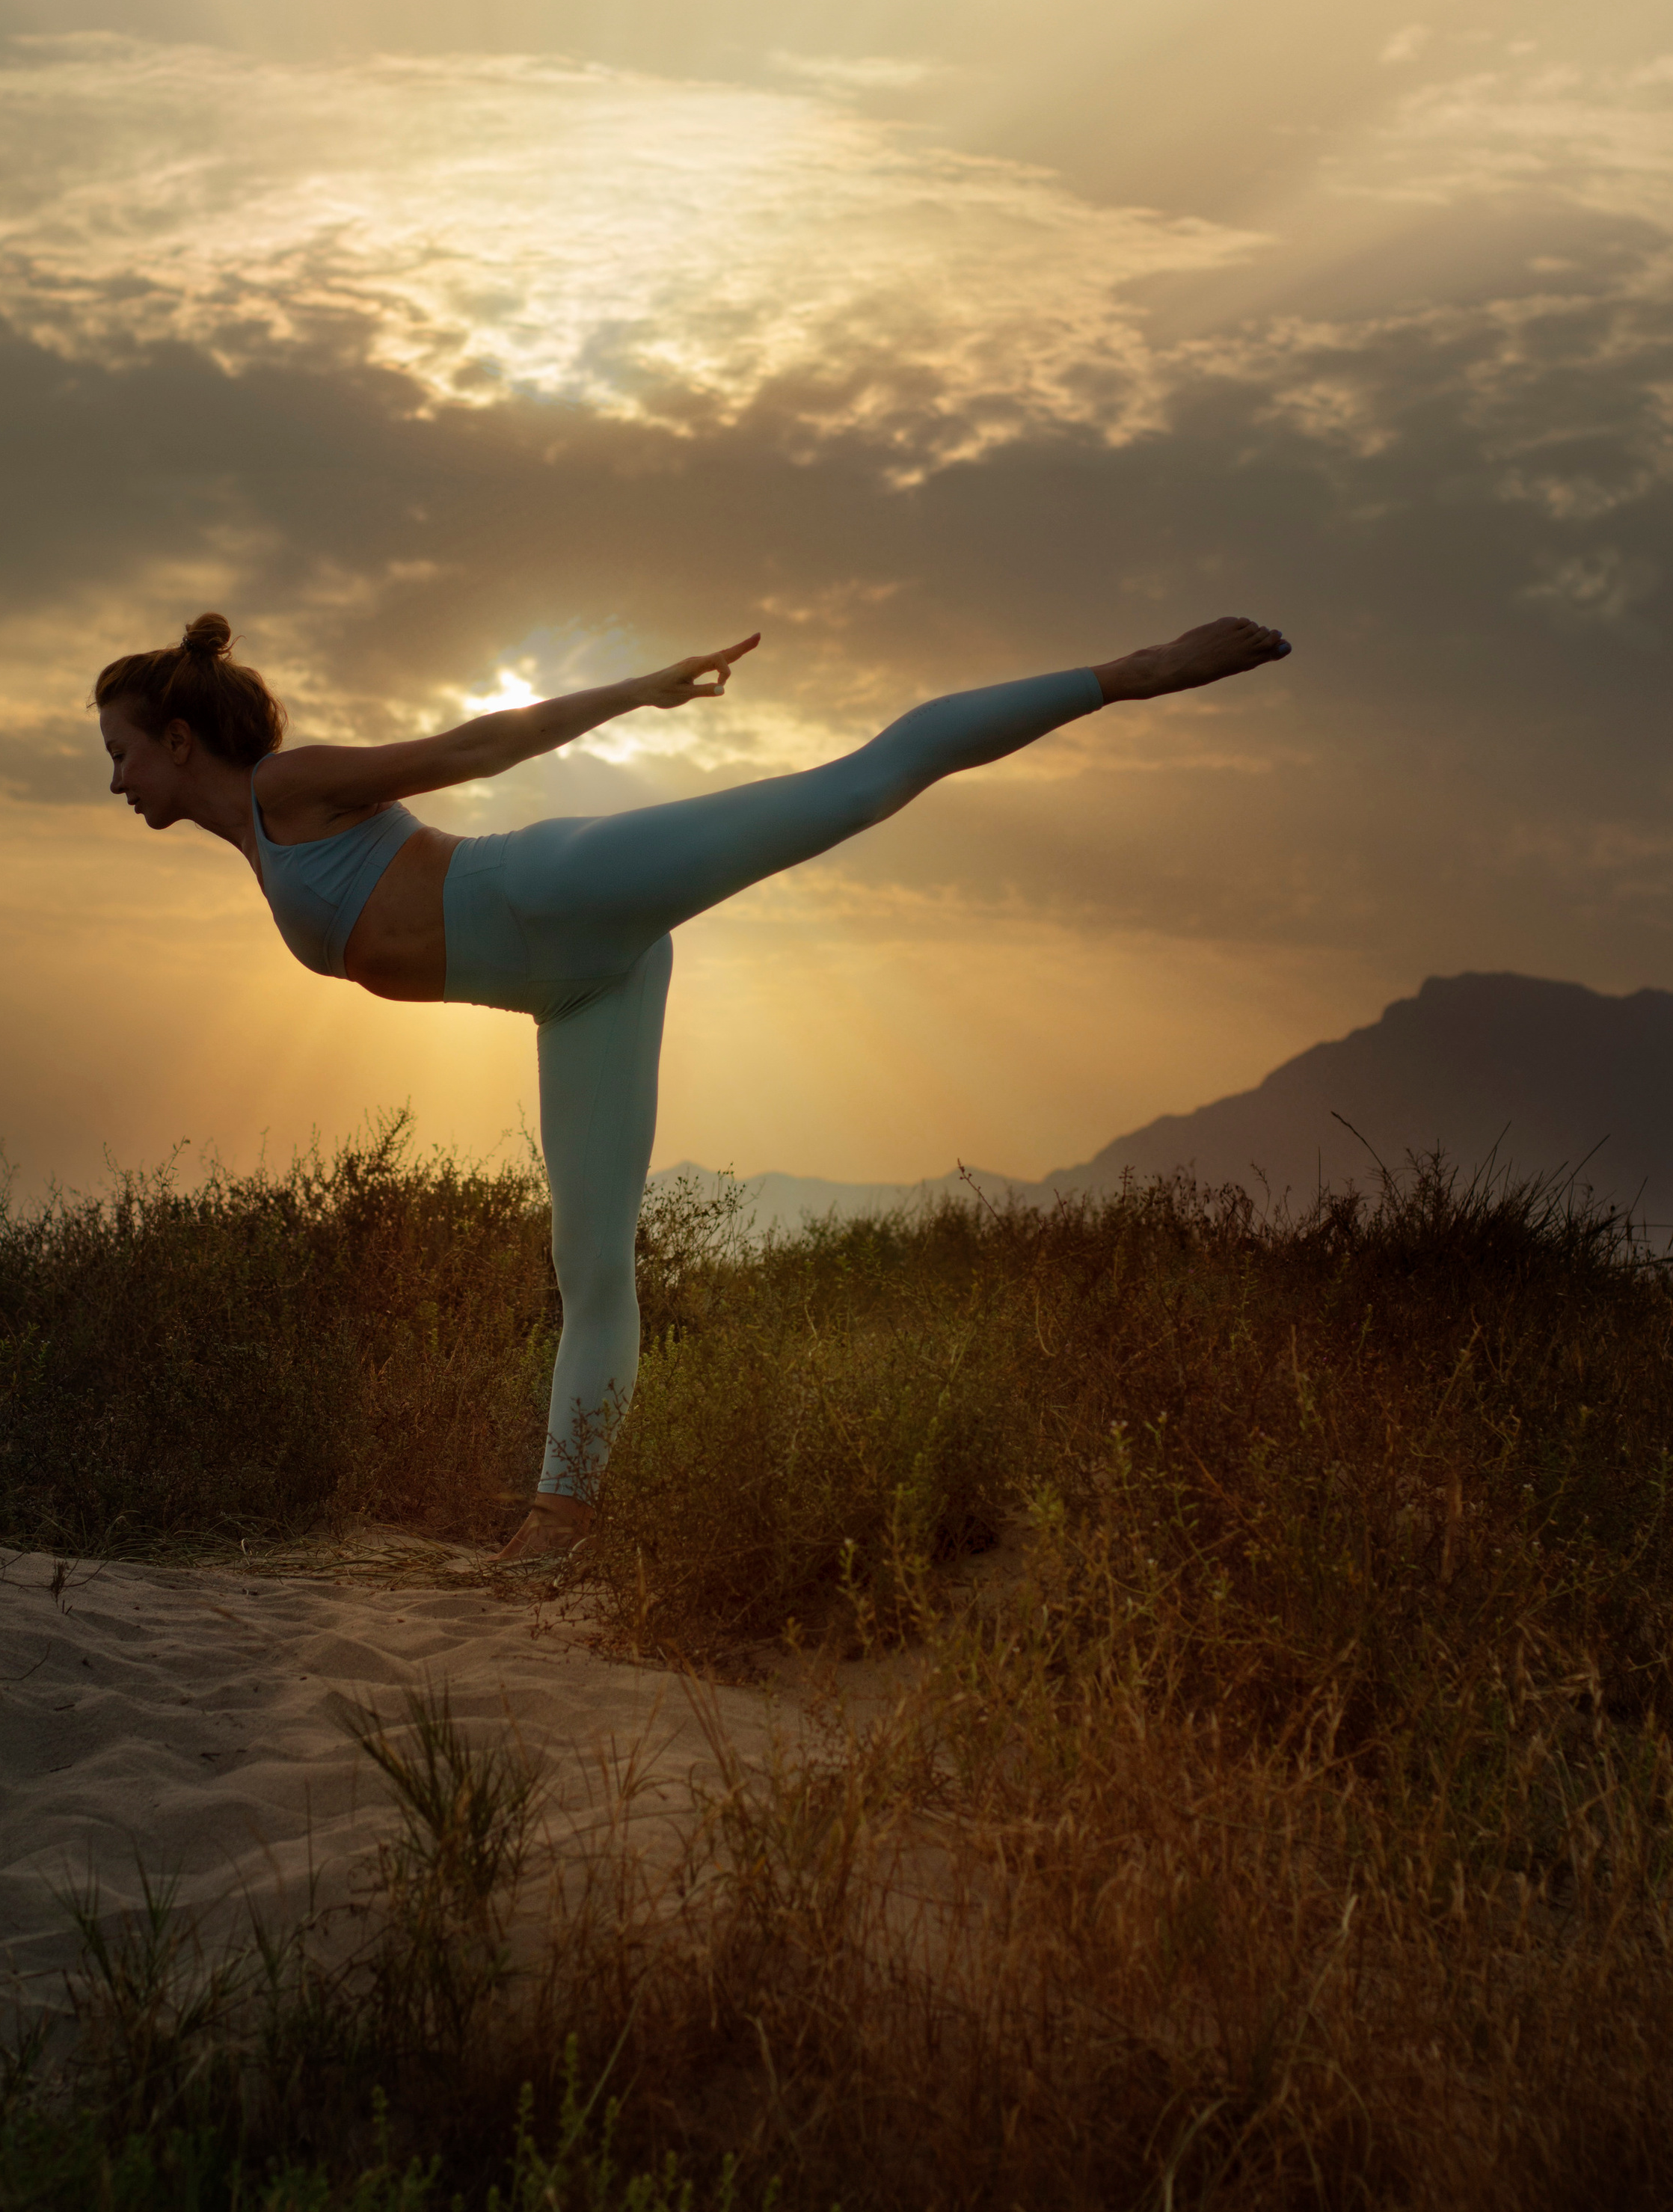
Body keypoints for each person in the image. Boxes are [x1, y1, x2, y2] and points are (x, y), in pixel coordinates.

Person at [93, 609, 1291, 1560]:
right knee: (592, 1262)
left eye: (122, 753)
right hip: (578, 988)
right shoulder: (258, 842)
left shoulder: (285, 790)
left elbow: (471, 748)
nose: (118, 781)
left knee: (860, 785)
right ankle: (563, 1522)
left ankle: (1130, 671)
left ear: (179, 739)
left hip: (562, 890)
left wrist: (639, 691)